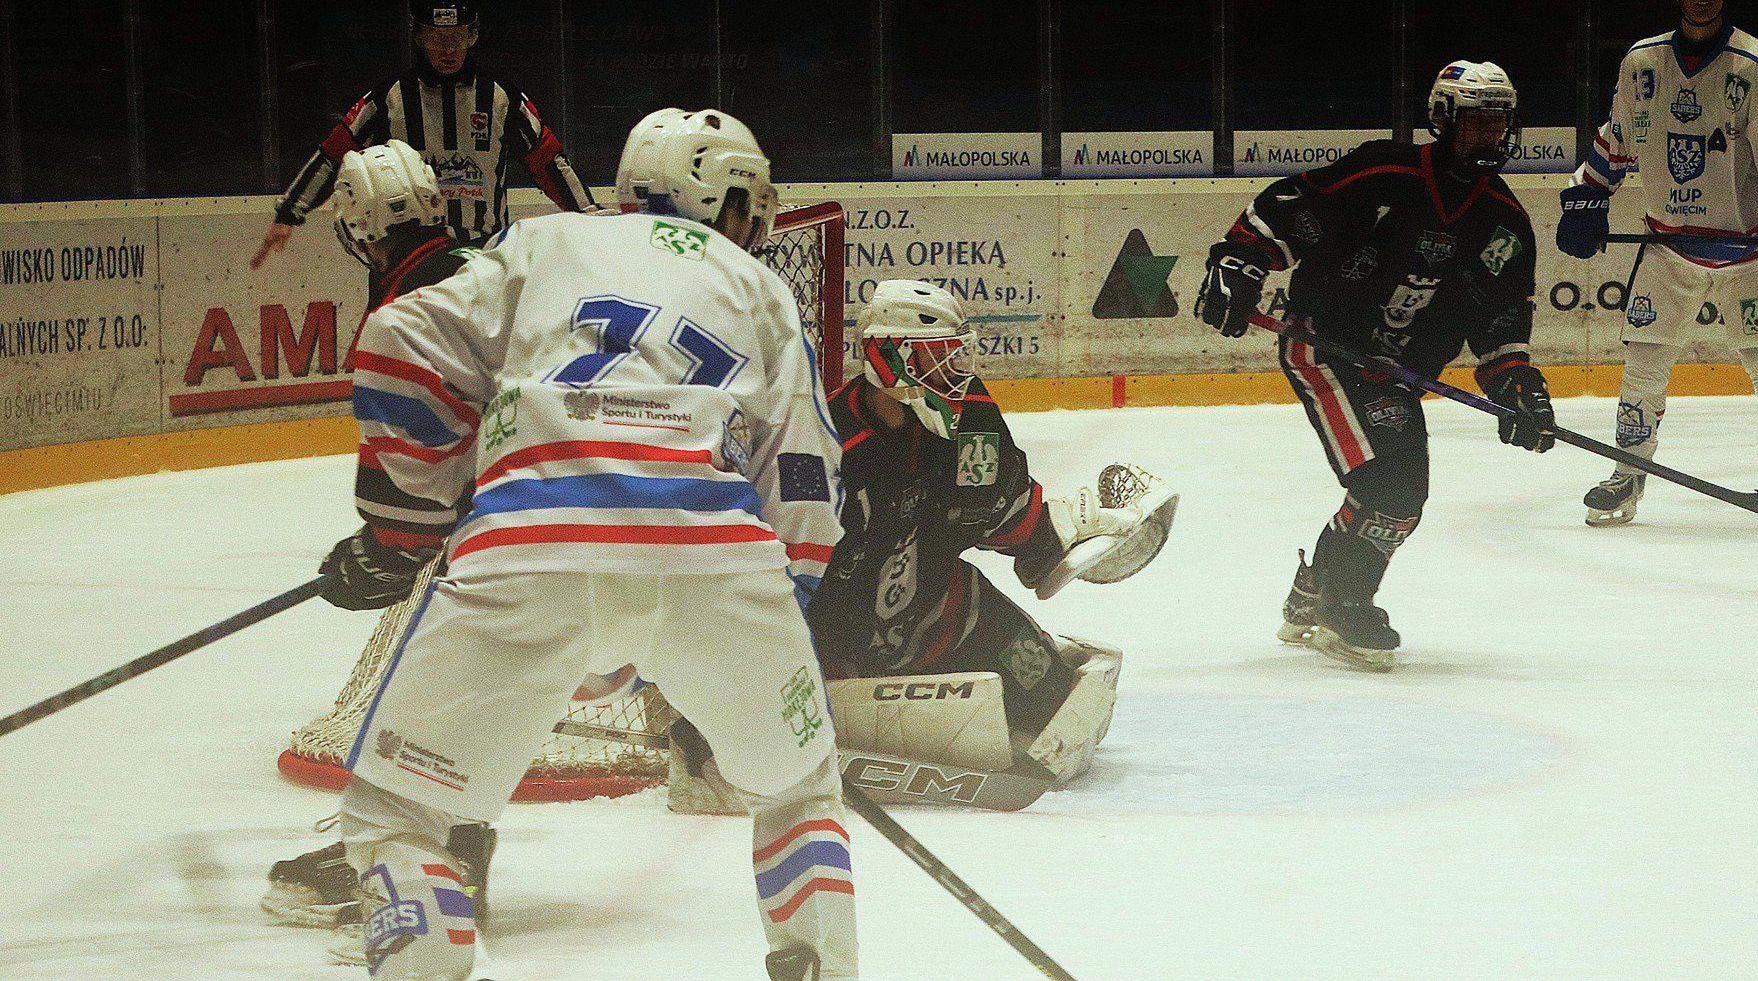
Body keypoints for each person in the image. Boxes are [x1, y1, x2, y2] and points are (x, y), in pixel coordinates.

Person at [316, 109, 855, 981]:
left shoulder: (539, 245)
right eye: (746, 205)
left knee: (395, 816)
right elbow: (804, 474)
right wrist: (764, 622)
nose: (751, 226)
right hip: (718, 560)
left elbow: (396, 345)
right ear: (718, 201)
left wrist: (415, 515)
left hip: (529, 550)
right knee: (799, 797)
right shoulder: (760, 289)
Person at [1194, 61, 1554, 672]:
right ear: (1441, 121)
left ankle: (1317, 589)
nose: (1485, 137)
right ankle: (1345, 603)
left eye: (1495, 124)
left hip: (1395, 373)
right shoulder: (1385, 172)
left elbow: (1499, 326)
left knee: (1401, 497)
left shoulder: (1506, 224)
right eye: (1471, 124)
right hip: (1330, 349)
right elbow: (1289, 208)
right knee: (1390, 486)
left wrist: (1519, 387)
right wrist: (1239, 264)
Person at [258, 140, 499, 939]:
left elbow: (403, 508)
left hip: (505, 534)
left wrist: (375, 556)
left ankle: (425, 861)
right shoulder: (494, 257)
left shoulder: (403, 309)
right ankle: (449, 849)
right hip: (580, 500)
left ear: (359, 228)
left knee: (429, 688)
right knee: (472, 687)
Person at [801, 280, 1170, 785]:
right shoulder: (826, 448)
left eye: (957, 355)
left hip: (940, 605)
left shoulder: (969, 411)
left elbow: (1003, 511)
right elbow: (789, 573)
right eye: (938, 357)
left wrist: (1062, 538)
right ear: (891, 361)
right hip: (845, 641)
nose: (956, 372)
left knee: (1060, 711)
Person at [1557, 0, 1758, 533]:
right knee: (1643, 365)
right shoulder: (1642, 62)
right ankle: (1627, 474)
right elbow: (1618, 138)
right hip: (1669, 247)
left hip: (1749, 249)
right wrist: (1588, 196)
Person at [250, 0, 595, 271]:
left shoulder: (501, 97)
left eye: (458, 36)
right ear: (418, 37)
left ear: (472, 35)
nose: (448, 49)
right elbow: (334, 155)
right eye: (436, 37)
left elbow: (548, 159)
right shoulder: (388, 98)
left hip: (486, 255)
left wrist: (589, 215)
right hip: (411, 254)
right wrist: (289, 213)